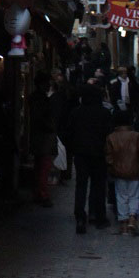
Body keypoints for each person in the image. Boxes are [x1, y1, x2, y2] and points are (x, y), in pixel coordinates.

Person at [61, 84, 113, 234]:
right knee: (98, 185)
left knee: (81, 185)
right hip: (99, 154)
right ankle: (98, 216)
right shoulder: (104, 113)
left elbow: (68, 133)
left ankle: (80, 216)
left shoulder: (76, 112)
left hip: (81, 154)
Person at [104, 108, 139, 235]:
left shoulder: (111, 137)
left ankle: (123, 223)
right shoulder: (137, 136)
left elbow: (108, 156)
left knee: (121, 196)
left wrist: (112, 166)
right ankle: (132, 218)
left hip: (118, 171)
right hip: (135, 170)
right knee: (135, 195)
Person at [30, 76, 58, 206]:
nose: (48, 86)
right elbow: (41, 118)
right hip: (44, 138)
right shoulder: (41, 100)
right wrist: (51, 127)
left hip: (39, 137)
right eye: (47, 83)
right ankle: (42, 194)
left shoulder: (36, 98)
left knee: (40, 166)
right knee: (44, 167)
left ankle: (39, 192)